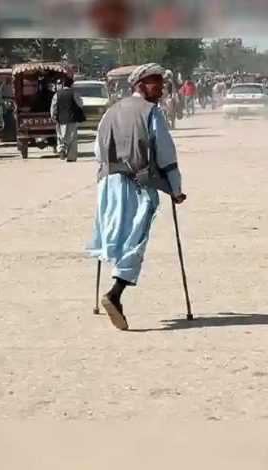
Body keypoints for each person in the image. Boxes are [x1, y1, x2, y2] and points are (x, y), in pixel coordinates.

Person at [86, 63, 186, 331]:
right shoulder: (151, 113)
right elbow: (165, 154)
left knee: (115, 233)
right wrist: (175, 190)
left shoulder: (111, 111)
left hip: (109, 185)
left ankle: (113, 291)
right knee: (136, 238)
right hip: (138, 186)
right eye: (156, 82)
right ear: (141, 86)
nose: (162, 87)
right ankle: (115, 293)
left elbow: (98, 151)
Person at [50, 75, 85, 162]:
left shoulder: (57, 94)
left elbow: (53, 106)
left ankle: (61, 150)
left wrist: (53, 115)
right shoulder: (74, 93)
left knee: (60, 136)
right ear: (71, 84)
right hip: (71, 119)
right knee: (72, 138)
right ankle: (71, 157)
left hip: (60, 119)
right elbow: (80, 104)